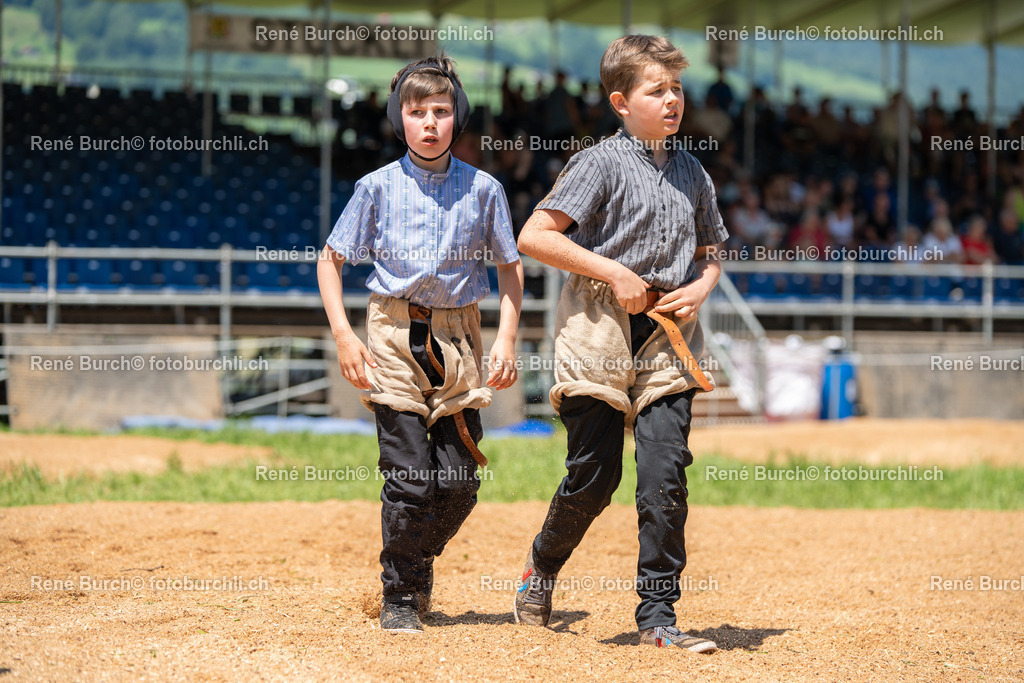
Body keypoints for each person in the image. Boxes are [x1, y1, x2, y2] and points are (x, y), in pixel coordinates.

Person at [511, 34, 727, 654]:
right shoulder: (598, 163)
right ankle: (541, 568)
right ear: (620, 101)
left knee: (664, 474)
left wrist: (703, 286)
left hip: (668, 330)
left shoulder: (693, 171)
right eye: (656, 90)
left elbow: (712, 252)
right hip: (596, 322)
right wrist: (613, 272)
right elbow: (534, 237)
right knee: (596, 475)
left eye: (677, 88)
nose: (672, 100)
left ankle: (658, 617)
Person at [317, 54, 524, 635]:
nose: (430, 123)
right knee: (408, 477)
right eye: (416, 112)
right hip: (390, 336)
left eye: (440, 111)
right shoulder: (374, 188)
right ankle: (401, 595)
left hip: (459, 341)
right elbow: (330, 262)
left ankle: (412, 559)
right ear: (398, 118)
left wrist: (507, 336)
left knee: (459, 484)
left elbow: (510, 270)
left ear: (457, 116)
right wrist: (344, 336)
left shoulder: (485, 190)